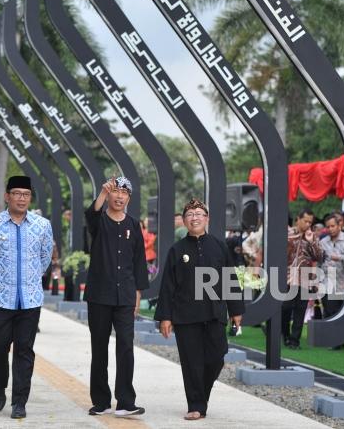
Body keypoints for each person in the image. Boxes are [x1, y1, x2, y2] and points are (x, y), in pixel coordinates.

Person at [155, 198, 244, 420]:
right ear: (184, 221)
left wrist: (236, 310)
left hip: (214, 314)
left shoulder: (219, 246)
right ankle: (195, 404)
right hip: (186, 316)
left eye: (199, 214)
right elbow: (167, 285)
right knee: (191, 362)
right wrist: (165, 316)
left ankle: (200, 396)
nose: (195, 217)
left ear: (207, 219)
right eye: (190, 214)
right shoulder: (177, 250)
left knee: (217, 357)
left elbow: (229, 279)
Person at [0, 176, 53, 420]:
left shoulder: (42, 225)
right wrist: (2, 277)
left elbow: (45, 259)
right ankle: (0, 383)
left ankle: (19, 401)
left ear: (30, 198)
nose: (21, 198)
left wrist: (29, 279)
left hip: (30, 300)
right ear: (7, 196)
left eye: (26, 194)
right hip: (1, 299)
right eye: (17, 193)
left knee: (24, 350)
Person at [85, 176, 148, 417]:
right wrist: (101, 192)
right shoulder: (99, 222)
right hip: (99, 295)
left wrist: (137, 294)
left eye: (124, 193)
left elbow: (139, 261)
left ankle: (125, 402)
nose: (119, 196)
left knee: (125, 348)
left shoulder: (134, 225)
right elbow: (90, 214)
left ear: (129, 198)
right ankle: (100, 401)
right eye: (116, 192)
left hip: (125, 297)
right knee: (99, 347)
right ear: (109, 195)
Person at [283, 209, 322, 349]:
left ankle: (295, 341)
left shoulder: (312, 237)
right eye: (305, 221)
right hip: (287, 277)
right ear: (298, 219)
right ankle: (285, 335)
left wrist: (311, 242)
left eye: (310, 222)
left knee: (300, 310)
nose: (307, 224)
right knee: (285, 308)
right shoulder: (287, 234)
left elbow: (318, 256)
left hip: (304, 278)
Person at [319, 213, 344, 320]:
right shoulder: (323, 242)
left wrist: (340, 258)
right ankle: (329, 336)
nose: (330, 229)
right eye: (328, 227)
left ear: (339, 225)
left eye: (332, 226)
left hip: (343, 283)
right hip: (327, 283)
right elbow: (319, 262)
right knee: (329, 314)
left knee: (341, 315)